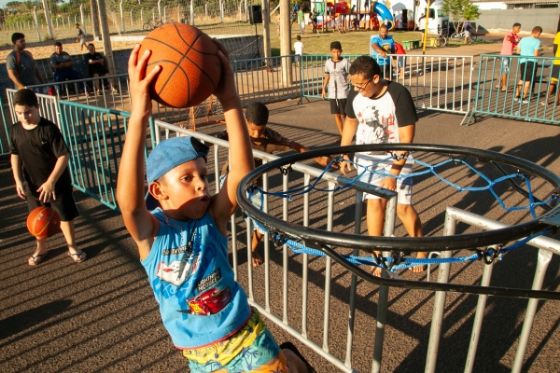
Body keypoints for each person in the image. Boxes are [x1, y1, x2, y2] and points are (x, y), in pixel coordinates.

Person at [117, 43, 313, 372]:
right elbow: (128, 203)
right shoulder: (152, 234)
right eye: (187, 178)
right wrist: (139, 114)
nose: (200, 184)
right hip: (201, 355)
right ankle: (291, 356)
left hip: (245, 335)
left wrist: (230, 100)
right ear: (158, 191)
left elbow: (241, 176)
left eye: (203, 176)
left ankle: (288, 359)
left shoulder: (212, 218)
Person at [340, 56, 427, 277]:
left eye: (361, 85)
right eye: (354, 85)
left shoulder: (398, 94)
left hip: (395, 156)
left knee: (402, 207)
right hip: (367, 158)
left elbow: (407, 137)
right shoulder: (355, 95)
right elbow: (350, 122)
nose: (357, 89)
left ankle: (420, 249)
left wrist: (394, 172)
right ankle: (377, 254)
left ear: (376, 78)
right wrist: (344, 153)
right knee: (374, 203)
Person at [216, 101, 331, 267]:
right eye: (252, 128)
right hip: (230, 178)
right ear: (245, 122)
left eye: (260, 129)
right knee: (221, 216)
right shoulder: (237, 130)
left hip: (254, 184)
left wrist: (319, 157)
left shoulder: (270, 137)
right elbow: (215, 138)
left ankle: (252, 250)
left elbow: (294, 145)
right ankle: (217, 253)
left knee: (261, 224)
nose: (256, 133)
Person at [10, 89, 86, 266]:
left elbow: (63, 156)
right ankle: (41, 248)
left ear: (37, 108)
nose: (24, 116)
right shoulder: (15, 130)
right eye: (19, 113)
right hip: (33, 184)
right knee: (37, 217)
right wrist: (18, 179)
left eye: (28, 112)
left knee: (65, 216)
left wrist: (51, 181)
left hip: (56, 183)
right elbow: (15, 155)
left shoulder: (49, 129)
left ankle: (72, 246)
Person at [322, 41, 350, 136]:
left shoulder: (345, 62)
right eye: (334, 52)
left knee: (344, 115)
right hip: (333, 93)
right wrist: (323, 88)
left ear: (341, 51)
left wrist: (349, 79)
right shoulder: (328, 63)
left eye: (338, 52)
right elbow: (327, 75)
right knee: (336, 115)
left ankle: (347, 134)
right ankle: (342, 135)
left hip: (343, 92)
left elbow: (351, 73)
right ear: (331, 52)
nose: (336, 54)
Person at [515, 26, 543, 104]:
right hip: (531, 61)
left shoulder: (523, 39)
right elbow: (535, 54)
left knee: (522, 78)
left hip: (523, 60)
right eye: (539, 34)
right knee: (528, 80)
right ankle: (523, 98)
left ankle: (517, 96)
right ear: (537, 32)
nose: (539, 35)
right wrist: (539, 54)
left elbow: (518, 50)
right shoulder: (537, 41)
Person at [499, 22, 521, 92]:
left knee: (505, 69)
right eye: (518, 28)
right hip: (505, 54)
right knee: (505, 70)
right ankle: (504, 86)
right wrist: (515, 41)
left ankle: (500, 84)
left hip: (509, 54)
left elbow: (517, 44)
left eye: (519, 28)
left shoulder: (516, 36)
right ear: (514, 28)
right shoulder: (509, 34)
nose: (519, 30)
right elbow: (509, 38)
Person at [545, 29, 560, 105]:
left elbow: (555, 47)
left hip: (558, 61)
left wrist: (556, 56)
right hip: (557, 61)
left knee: (553, 81)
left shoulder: (559, 34)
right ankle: (557, 101)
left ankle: (547, 100)